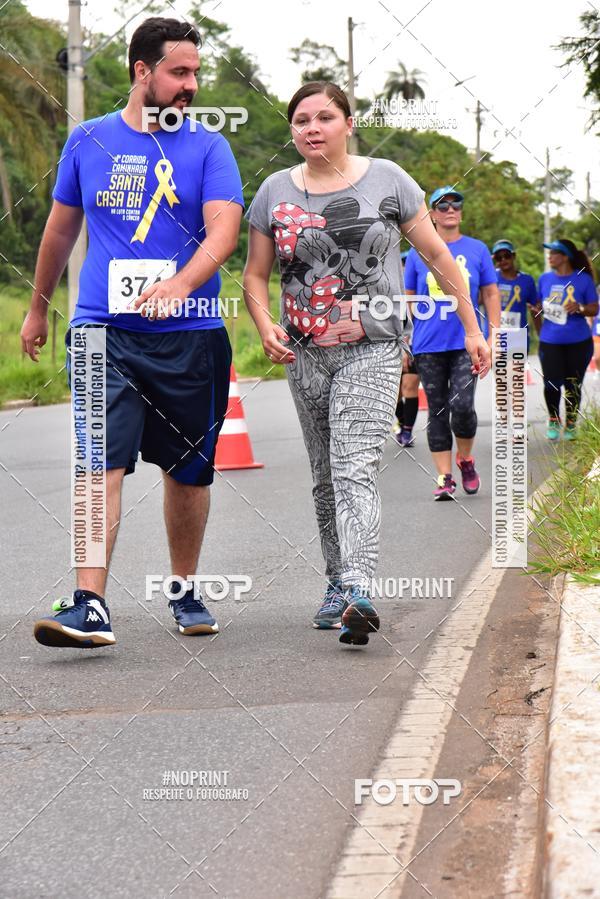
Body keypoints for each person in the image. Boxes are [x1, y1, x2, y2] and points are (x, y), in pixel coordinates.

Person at [21, 17, 244, 648]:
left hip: (191, 332)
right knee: (98, 463)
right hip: (101, 332)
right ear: (141, 71)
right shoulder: (87, 141)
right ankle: (89, 602)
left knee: (188, 473)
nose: (190, 85)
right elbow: (61, 231)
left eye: (196, 73)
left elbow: (223, 231)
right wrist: (39, 308)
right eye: (179, 72)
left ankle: (184, 590)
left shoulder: (209, 147)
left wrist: (181, 283)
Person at [242, 83, 490, 645]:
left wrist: (472, 327)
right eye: (301, 120)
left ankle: (357, 588)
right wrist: (264, 325)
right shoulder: (274, 191)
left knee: (354, 464)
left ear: (347, 123)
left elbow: (436, 254)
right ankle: (336, 583)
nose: (312, 127)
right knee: (325, 476)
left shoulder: (388, 179)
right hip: (305, 354)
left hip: (375, 347)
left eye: (325, 117)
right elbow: (256, 273)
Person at [404, 187, 501, 500]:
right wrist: (405, 337)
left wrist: (492, 335)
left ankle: (466, 460)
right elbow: (408, 298)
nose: (450, 209)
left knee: (461, 407)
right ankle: (445, 477)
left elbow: (490, 293)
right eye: (442, 204)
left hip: (465, 343)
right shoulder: (418, 253)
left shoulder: (477, 249)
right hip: (427, 344)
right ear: (431, 213)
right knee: (436, 410)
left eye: (455, 203)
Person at [533, 239, 598, 440]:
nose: (549, 257)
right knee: (551, 383)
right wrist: (539, 327)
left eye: (553, 253)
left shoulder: (583, 279)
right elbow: (537, 308)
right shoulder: (544, 279)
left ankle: (571, 422)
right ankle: (554, 418)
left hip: (578, 342)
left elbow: (594, 308)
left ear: (564, 257)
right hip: (550, 341)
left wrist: (579, 307)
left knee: (573, 383)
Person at [393, 249, 420, 447]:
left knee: (410, 386)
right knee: (395, 393)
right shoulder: (390, 289)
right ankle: (402, 423)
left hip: (414, 343)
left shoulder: (419, 291)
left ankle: (408, 432)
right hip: (392, 344)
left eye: (407, 264)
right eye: (402, 263)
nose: (404, 268)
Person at [491, 239, 537, 349]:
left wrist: (541, 334)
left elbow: (535, 309)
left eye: (507, 256)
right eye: (498, 258)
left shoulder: (527, 280)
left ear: (514, 256)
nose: (503, 260)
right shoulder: (490, 278)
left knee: (515, 367)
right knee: (499, 366)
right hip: (495, 337)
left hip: (518, 338)